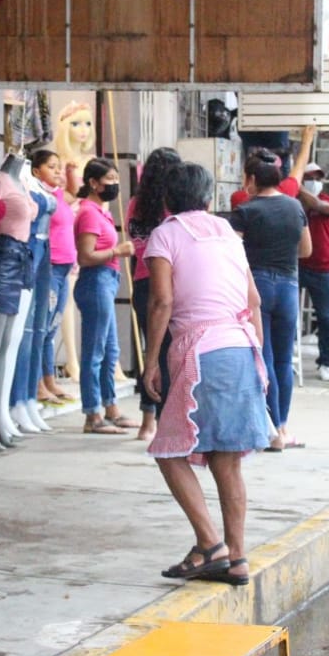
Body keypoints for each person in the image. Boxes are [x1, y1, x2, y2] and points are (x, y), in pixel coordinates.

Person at [143, 164, 270, 588]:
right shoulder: (228, 234)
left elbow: (161, 301)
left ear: (166, 199)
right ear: (207, 196)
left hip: (200, 349)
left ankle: (210, 544)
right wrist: (261, 359)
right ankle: (235, 559)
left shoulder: (166, 233)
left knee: (167, 449)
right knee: (226, 461)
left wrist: (149, 362)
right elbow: (252, 300)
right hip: (240, 345)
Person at [231, 151, 311, 449]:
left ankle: (272, 431)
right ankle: (283, 427)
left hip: (257, 286)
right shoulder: (295, 207)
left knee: (262, 359)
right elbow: (306, 250)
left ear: (251, 179)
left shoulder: (245, 210)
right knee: (282, 360)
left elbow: (232, 253)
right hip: (289, 285)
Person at [72, 157, 137, 435]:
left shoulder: (101, 211)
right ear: (93, 183)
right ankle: (92, 415)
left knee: (111, 352)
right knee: (95, 353)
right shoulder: (88, 213)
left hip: (107, 281)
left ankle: (111, 408)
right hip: (95, 281)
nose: (115, 185)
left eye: (116, 179)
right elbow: (85, 257)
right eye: (109, 180)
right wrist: (116, 252)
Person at [128, 147, 183, 440]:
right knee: (168, 355)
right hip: (168, 285)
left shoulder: (135, 205)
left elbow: (134, 242)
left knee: (149, 350)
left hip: (141, 284)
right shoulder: (172, 210)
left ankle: (147, 421)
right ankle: (164, 421)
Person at [37, 149, 76, 404]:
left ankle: (50, 379)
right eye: (52, 167)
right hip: (48, 267)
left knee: (52, 328)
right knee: (41, 327)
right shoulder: (39, 197)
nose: (57, 171)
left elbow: (74, 194)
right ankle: (38, 383)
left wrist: (70, 172)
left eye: (58, 167)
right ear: (36, 171)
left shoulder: (58, 195)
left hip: (65, 267)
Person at [296, 162, 329, 381]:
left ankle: (325, 362)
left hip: (323, 269)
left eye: (317, 177)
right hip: (297, 265)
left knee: (325, 318)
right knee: (287, 314)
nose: (314, 181)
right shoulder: (294, 204)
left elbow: (322, 208)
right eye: (309, 177)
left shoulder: (328, 202)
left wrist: (297, 187)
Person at [231, 124, 315, 209]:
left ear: (252, 179)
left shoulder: (239, 198)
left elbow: (300, 167)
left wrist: (306, 142)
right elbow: (300, 167)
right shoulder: (285, 192)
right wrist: (307, 142)